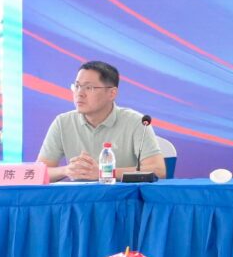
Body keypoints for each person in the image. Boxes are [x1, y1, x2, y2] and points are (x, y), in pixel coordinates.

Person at [37, 60, 165, 179]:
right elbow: (38, 172)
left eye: (89, 88)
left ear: (112, 93)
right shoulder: (62, 123)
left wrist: (104, 172)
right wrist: (66, 170)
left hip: (121, 194)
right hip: (80, 195)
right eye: (77, 86)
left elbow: (158, 170)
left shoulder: (136, 122)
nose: (79, 93)